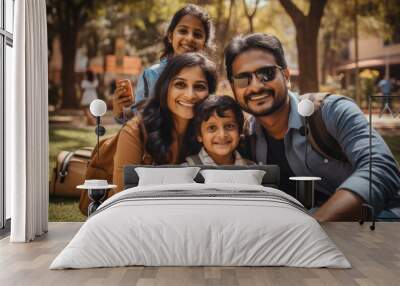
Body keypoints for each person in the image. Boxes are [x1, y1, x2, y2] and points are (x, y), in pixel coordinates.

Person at [224, 33, 400, 221]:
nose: (256, 87)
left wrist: (314, 226)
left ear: (286, 76)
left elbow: (380, 167)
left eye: (266, 74)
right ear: (234, 88)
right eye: (243, 79)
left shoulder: (330, 111)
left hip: (382, 227)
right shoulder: (247, 138)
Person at [112, 53, 217, 193]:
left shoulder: (214, 130)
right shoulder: (136, 131)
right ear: (165, 88)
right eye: (180, 84)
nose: (190, 95)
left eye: (199, 86)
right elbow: (121, 193)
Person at [113, 4, 215, 123]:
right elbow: (139, 121)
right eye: (183, 31)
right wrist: (119, 112)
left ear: (204, 43)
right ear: (170, 36)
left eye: (197, 34)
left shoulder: (207, 76)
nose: (190, 38)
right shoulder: (153, 75)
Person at [184, 95, 254, 166]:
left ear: (239, 131)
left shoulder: (254, 169)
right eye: (212, 128)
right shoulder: (186, 170)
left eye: (229, 126)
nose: (222, 135)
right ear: (199, 135)